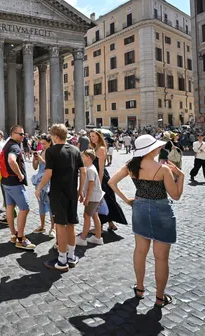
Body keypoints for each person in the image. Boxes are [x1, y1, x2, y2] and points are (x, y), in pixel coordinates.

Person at [108, 134, 184, 308]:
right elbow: (176, 195)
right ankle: (159, 297)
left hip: (140, 209)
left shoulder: (131, 166)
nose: (160, 149)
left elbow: (112, 182)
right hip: (161, 211)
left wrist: (127, 200)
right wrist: (181, 176)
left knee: (140, 252)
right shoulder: (162, 169)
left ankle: (140, 289)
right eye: (158, 147)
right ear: (152, 149)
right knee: (161, 258)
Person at [35, 124, 86, 271]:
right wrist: (80, 190)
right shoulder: (75, 150)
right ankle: (71, 256)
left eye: (51, 135)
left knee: (60, 226)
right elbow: (82, 172)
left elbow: (48, 173)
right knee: (71, 224)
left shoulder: (51, 151)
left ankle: (62, 261)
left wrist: (39, 188)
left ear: (56, 136)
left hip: (58, 193)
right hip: (72, 192)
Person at [1, 125, 35, 250]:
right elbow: (11, 160)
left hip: (6, 181)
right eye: (20, 134)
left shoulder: (7, 144)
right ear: (12, 134)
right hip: (14, 182)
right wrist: (20, 174)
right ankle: (20, 239)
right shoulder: (14, 146)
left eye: (23, 134)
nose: (23, 136)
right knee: (24, 209)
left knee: (9, 207)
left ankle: (13, 234)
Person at [89, 130, 127, 232]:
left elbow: (101, 168)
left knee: (102, 201)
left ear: (99, 136)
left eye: (94, 136)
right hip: (97, 176)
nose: (92, 138)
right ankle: (111, 224)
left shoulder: (101, 149)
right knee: (108, 200)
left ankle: (99, 227)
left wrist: (99, 183)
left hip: (101, 178)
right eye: (91, 136)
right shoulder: (95, 148)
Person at [75, 150, 104, 246]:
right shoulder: (90, 168)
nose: (81, 158)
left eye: (83, 156)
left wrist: (87, 198)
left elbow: (91, 185)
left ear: (88, 157)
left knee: (86, 216)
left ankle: (83, 238)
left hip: (93, 197)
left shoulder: (90, 169)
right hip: (96, 196)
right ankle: (98, 237)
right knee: (95, 215)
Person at [31, 133, 55, 238]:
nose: (43, 146)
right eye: (41, 144)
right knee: (41, 203)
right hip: (40, 180)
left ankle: (53, 228)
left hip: (49, 180)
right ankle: (42, 225)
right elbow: (35, 167)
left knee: (51, 204)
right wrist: (35, 160)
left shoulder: (53, 153)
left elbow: (52, 167)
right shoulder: (41, 152)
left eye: (44, 144)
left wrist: (42, 160)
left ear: (50, 142)